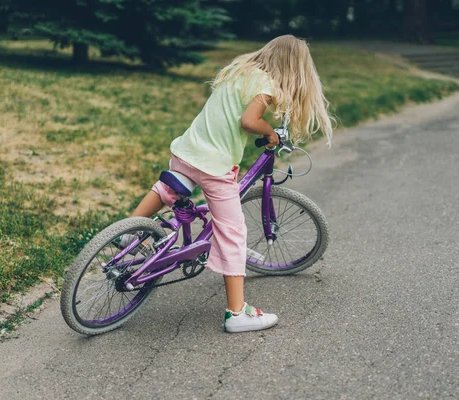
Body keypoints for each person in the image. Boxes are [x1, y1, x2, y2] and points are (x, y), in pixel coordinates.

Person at [130, 35, 334, 333]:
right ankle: (237, 313)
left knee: (168, 190)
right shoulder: (265, 85)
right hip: (214, 166)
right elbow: (249, 122)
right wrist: (271, 133)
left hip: (186, 151)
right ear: (294, 67)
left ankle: (128, 231)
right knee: (233, 231)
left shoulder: (238, 72)